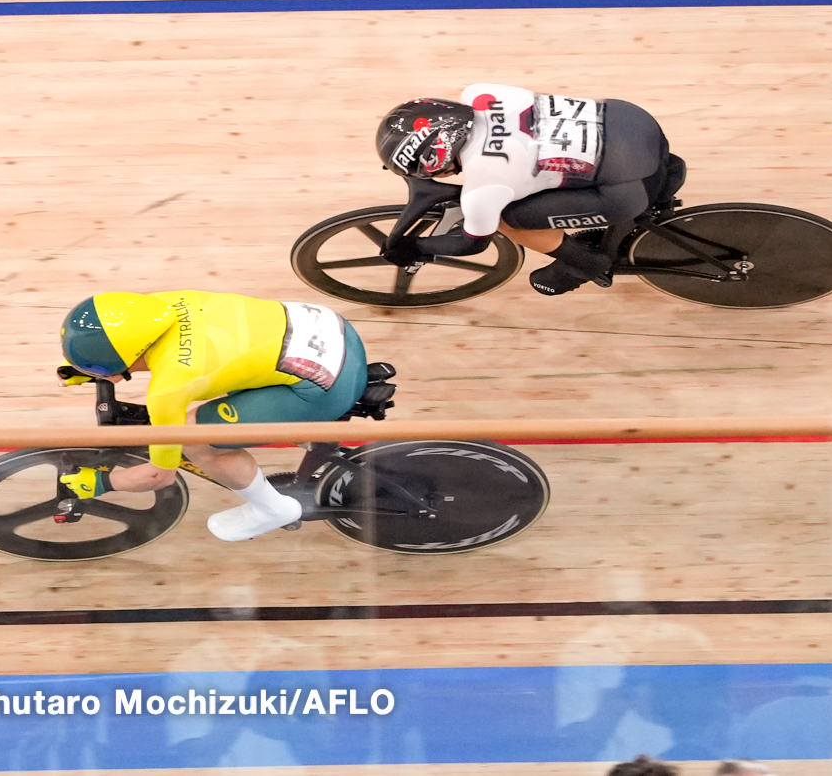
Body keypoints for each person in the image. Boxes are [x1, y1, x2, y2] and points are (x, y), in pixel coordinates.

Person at [56, 290, 369, 541]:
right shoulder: (163, 302)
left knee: (196, 439)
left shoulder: (168, 389)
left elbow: (159, 475)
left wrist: (103, 481)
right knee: (234, 377)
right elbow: (142, 347)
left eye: (97, 367)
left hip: (327, 386)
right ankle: (306, 438)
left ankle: (274, 509)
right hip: (334, 331)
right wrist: (102, 367)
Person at [375, 85, 678, 296]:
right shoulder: (481, 92)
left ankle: (586, 264)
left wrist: (417, 248)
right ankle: (667, 182)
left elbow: (473, 244)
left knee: (509, 218)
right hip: (635, 122)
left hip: (628, 190)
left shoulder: (483, 187)